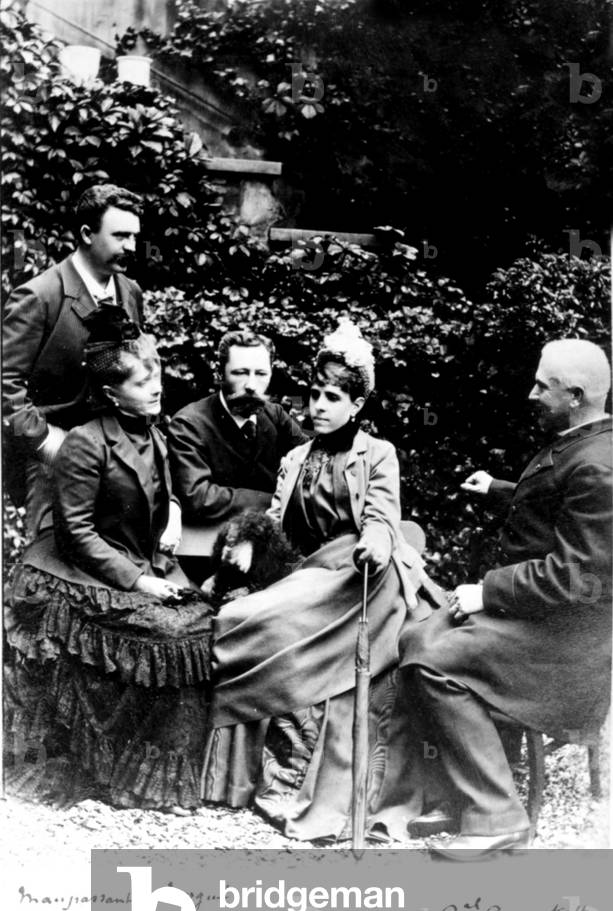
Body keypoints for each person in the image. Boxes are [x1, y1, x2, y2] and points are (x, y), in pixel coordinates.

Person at [201, 321, 444, 841]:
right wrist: (245, 538)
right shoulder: (294, 458)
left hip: (365, 577)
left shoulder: (377, 454)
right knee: (235, 615)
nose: (318, 406)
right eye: (313, 394)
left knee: (261, 622)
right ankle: (249, 778)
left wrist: (376, 541)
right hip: (310, 575)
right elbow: (275, 523)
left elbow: (382, 515)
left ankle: (306, 783)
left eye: (332, 397)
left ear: (356, 405)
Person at [400, 338, 612, 852]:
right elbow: (552, 506)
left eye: (544, 386)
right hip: (542, 624)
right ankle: (463, 793)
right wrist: (498, 489)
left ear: (576, 395)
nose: (531, 393)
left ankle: (497, 815)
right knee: (417, 635)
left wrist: (486, 592)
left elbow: (578, 576)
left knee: (432, 658)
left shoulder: (600, 467)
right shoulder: (580, 441)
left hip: (567, 650)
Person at [4, 305, 211, 813]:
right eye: (143, 383)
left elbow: (162, 494)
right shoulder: (85, 444)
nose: (157, 388)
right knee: (169, 636)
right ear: (111, 393)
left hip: (127, 561)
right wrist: (139, 583)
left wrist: (175, 515)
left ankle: (160, 774)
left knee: (202, 623)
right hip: (69, 572)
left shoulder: (155, 435)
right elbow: (76, 534)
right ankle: (128, 775)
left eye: (157, 375)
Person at [2, 184, 143, 536]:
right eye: (120, 236)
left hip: (117, 456)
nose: (131, 247)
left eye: (135, 236)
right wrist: (52, 445)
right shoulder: (39, 296)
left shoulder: (130, 293)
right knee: (53, 567)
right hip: (53, 460)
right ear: (86, 234)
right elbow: (6, 391)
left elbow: (134, 372)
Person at [168, 330, 307, 583]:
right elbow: (198, 496)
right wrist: (275, 500)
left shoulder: (275, 416)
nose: (252, 385)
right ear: (219, 374)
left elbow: (311, 466)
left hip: (270, 551)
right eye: (240, 373)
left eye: (261, 374)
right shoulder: (189, 424)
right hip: (208, 555)